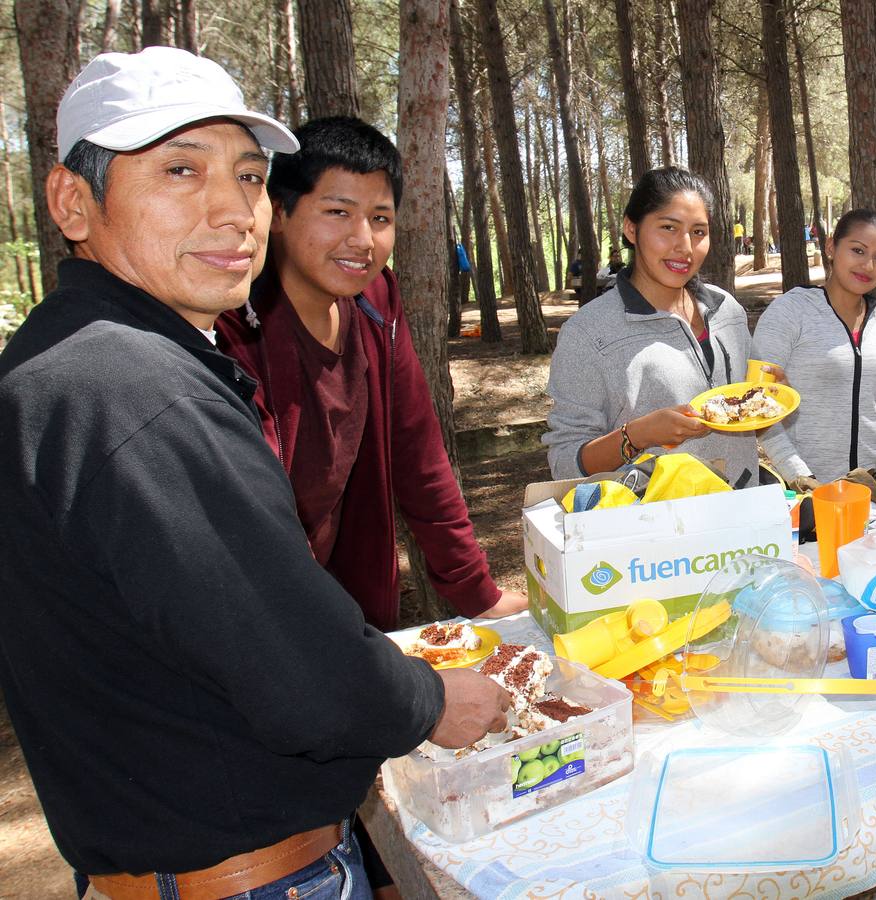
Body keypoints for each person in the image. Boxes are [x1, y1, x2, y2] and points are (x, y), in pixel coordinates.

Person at [0, 48, 509, 898]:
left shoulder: (81, 361)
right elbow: (297, 667)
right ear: (72, 202)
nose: (232, 210)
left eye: (247, 176)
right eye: (179, 170)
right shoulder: (129, 391)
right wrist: (429, 702)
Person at [215, 117, 525, 632]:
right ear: (279, 212)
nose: (362, 240)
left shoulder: (377, 300)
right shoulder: (233, 328)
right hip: (253, 611)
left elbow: (417, 452)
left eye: (380, 218)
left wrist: (477, 593)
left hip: (345, 589)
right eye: (338, 212)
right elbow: (254, 521)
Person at [545, 167, 760, 485]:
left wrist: (763, 398)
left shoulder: (726, 310)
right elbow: (565, 462)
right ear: (631, 229)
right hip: (655, 512)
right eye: (668, 227)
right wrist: (637, 435)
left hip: (744, 505)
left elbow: (744, 418)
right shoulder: (588, 333)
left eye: (698, 232)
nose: (685, 247)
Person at [751, 208, 876, 488]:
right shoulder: (791, 311)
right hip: (809, 490)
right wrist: (799, 475)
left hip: (875, 489)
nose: (868, 265)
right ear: (831, 246)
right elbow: (756, 401)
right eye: (858, 250)